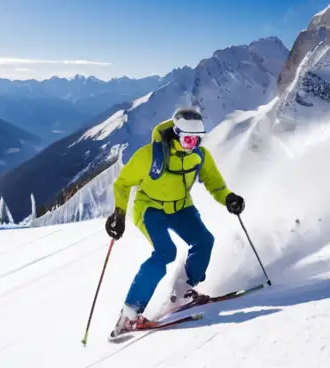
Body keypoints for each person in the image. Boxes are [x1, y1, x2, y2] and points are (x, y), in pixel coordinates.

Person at [105, 107, 245, 338]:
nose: (192, 144)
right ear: (177, 133)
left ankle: (182, 290)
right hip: (150, 208)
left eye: (197, 139)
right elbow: (122, 183)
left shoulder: (199, 155)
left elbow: (214, 183)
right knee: (165, 252)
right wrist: (119, 213)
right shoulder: (150, 155)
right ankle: (130, 313)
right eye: (188, 139)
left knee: (204, 241)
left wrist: (228, 198)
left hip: (181, 206)